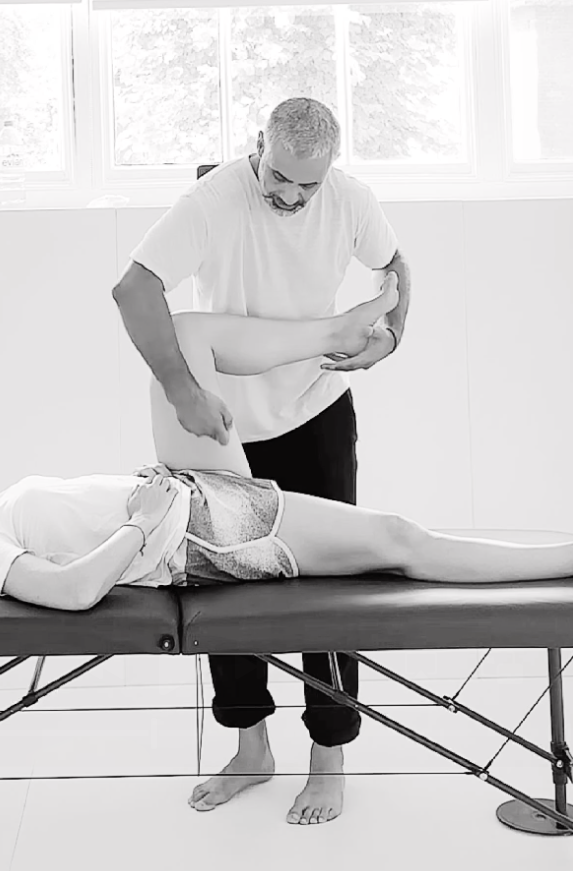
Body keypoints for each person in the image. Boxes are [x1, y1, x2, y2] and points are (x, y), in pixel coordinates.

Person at [0, 295, 573, 811]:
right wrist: (141, 521)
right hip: (205, 527)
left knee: (184, 336)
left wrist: (153, 498)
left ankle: (338, 328)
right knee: (401, 544)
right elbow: (69, 595)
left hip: (192, 494)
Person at [112, 96, 410, 825]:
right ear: (259, 147)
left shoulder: (350, 200)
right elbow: (134, 288)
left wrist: (391, 338)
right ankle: (252, 748)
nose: (292, 195)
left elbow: (396, 266)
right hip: (226, 419)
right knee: (226, 587)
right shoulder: (213, 201)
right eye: (280, 176)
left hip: (315, 408)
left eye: (308, 184)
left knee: (331, 585)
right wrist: (181, 388)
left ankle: (329, 758)